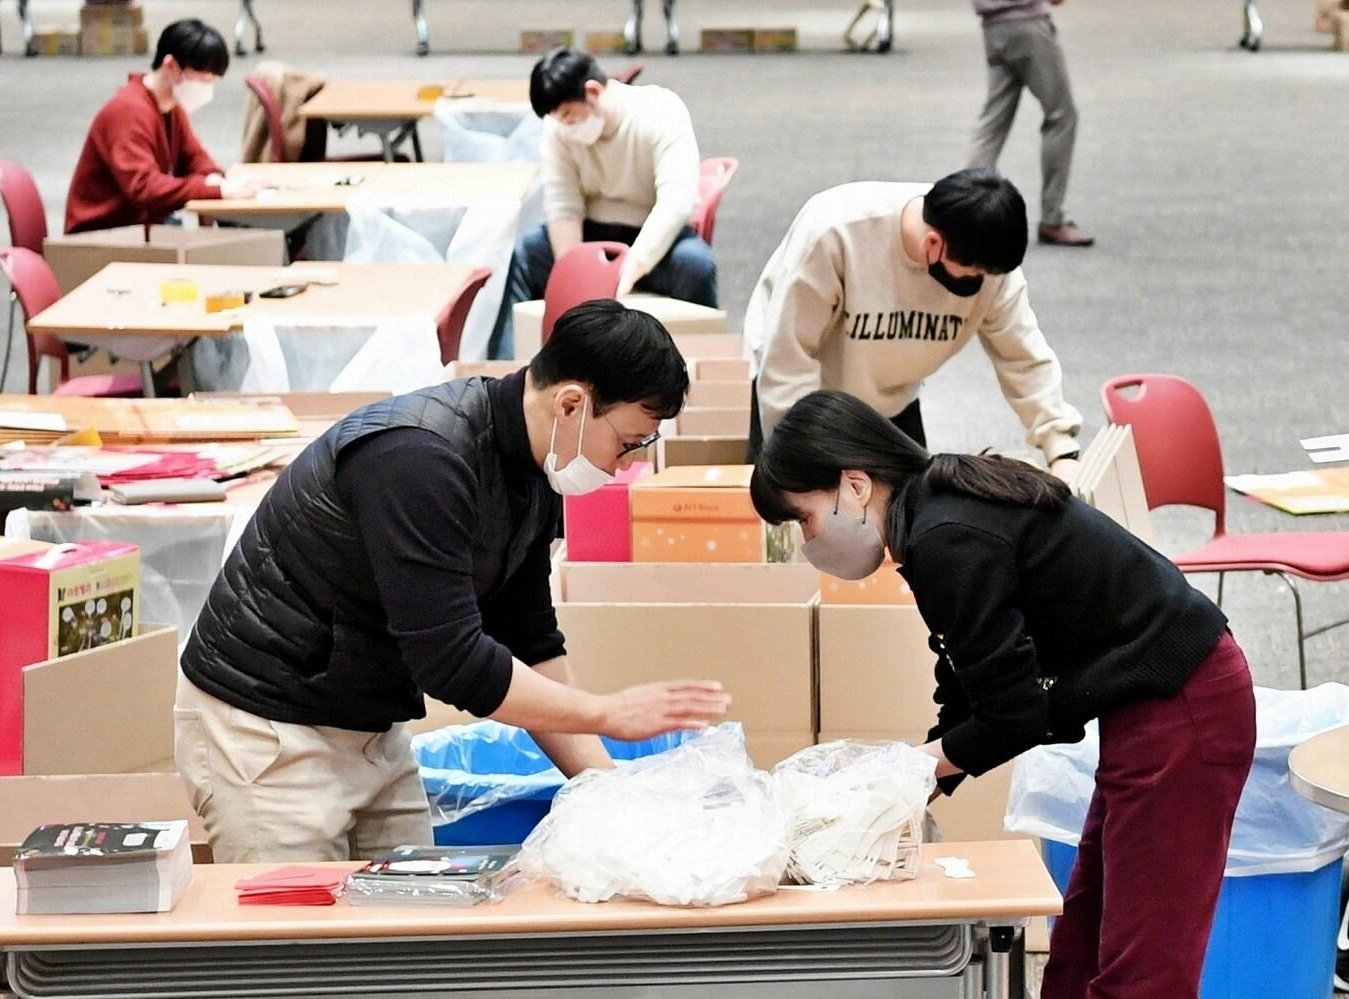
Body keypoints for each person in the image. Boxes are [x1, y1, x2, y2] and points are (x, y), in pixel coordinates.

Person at [750, 389, 1255, 999]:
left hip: (1185, 706)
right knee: (1080, 948)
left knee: (1143, 978)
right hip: (1143, 707)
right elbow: (969, 678)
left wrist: (911, 772)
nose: (806, 541)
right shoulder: (931, 518)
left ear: (853, 485)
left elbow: (1011, 712)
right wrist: (909, 777)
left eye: (801, 517)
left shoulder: (948, 533)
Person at [177, 301, 731, 863]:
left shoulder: (533, 466)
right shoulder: (420, 459)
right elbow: (451, 660)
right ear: (572, 404)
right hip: (266, 725)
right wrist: (605, 715)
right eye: (628, 442)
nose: (623, 466)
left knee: (414, 927)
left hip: (366, 722)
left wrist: (608, 786)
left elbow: (528, 637)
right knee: (301, 943)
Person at [744, 169, 1083, 478]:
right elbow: (789, 358)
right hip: (806, 394)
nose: (981, 281)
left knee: (908, 525)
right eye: (974, 273)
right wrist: (799, 462)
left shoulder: (987, 259)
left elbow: (1021, 355)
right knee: (798, 521)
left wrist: (1060, 448)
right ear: (933, 244)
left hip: (891, 395)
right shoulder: (835, 234)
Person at [489, 48, 717, 359]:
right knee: (528, 252)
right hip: (592, 235)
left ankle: (705, 365)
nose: (566, 126)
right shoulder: (558, 130)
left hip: (651, 238)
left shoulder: (660, 110)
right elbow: (563, 206)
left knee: (695, 264)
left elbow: (675, 202)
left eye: (570, 116)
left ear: (593, 92)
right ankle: (509, 371)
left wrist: (630, 268)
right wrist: (576, 276)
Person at [64, 19, 259, 234]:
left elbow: (194, 157)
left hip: (138, 229)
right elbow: (143, 188)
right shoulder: (128, 111)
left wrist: (214, 177)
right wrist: (216, 190)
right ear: (170, 67)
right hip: (101, 236)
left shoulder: (171, 107)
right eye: (204, 78)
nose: (208, 87)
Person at [966, 0, 1093, 247]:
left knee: (992, 124)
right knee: (1062, 117)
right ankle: (1052, 219)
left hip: (993, 26)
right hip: (1027, 23)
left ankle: (964, 210)